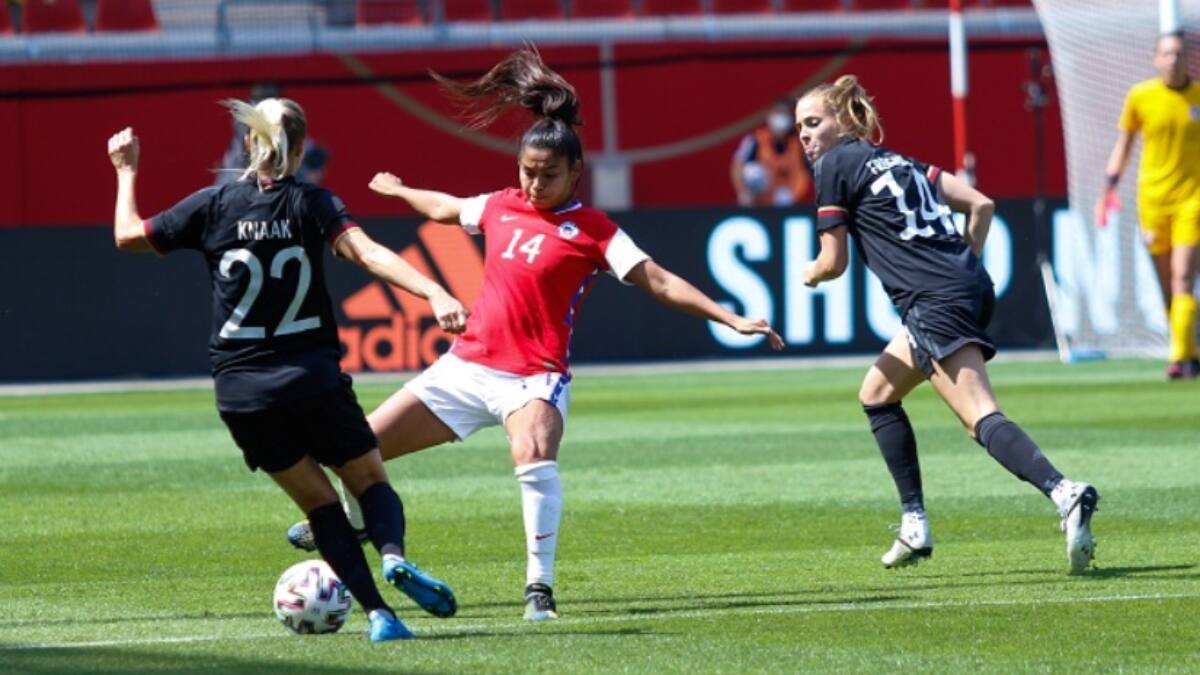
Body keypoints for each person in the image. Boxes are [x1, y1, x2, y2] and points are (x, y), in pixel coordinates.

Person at [285, 45, 785, 621]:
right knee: (358, 447)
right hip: (466, 367)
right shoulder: (501, 205)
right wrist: (400, 192)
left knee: (532, 453)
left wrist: (729, 316)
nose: (534, 183)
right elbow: (447, 209)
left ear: (576, 172)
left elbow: (657, 280)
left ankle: (539, 590)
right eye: (527, 171)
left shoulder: (593, 230)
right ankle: (354, 523)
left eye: (549, 175)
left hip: (532, 378)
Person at [106, 96, 471, 641]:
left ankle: (379, 616)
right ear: (299, 150)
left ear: (249, 144)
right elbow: (368, 253)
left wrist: (126, 171)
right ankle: (392, 556)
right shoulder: (312, 203)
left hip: (242, 392)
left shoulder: (213, 204)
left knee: (320, 505)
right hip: (311, 378)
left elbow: (128, 236)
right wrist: (435, 289)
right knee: (369, 481)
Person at [796, 75, 1099, 573]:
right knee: (876, 393)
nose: (806, 136)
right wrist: (966, 263)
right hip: (967, 288)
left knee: (979, 417)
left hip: (933, 300)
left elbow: (833, 263)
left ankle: (1064, 492)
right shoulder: (900, 161)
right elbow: (981, 204)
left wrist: (810, 272)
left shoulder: (834, 164)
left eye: (814, 122)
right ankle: (914, 523)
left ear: (844, 121)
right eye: (800, 128)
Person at [1099, 32, 1200, 380]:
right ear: (1156, 59)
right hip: (1153, 200)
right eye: (1167, 54)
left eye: (1179, 54)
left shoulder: (1198, 97)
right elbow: (1124, 144)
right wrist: (1109, 188)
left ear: (1189, 58)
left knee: (1183, 277)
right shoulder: (1141, 96)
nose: (1173, 60)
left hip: (1193, 200)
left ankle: (1179, 357)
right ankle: (1189, 349)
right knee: (1166, 285)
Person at [730, 97, 811, 207]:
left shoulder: (798, 143)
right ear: (769, 115)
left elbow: (805, 173)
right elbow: (737, 166)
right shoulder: (755, 139)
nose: (781, 118)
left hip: (786, 197)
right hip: (759, 196)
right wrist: (743, 193)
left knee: (783, 198)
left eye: (786, 114)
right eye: (778, 112)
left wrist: (794, 194)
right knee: (752, 172)